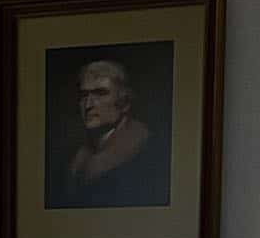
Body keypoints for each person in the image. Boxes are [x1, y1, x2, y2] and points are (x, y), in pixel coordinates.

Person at [50, 58, 170, 208]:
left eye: (100, 94)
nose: (88, 105)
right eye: (84, 95)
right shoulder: (73, 155)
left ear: (124, 103)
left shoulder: (146, 150)